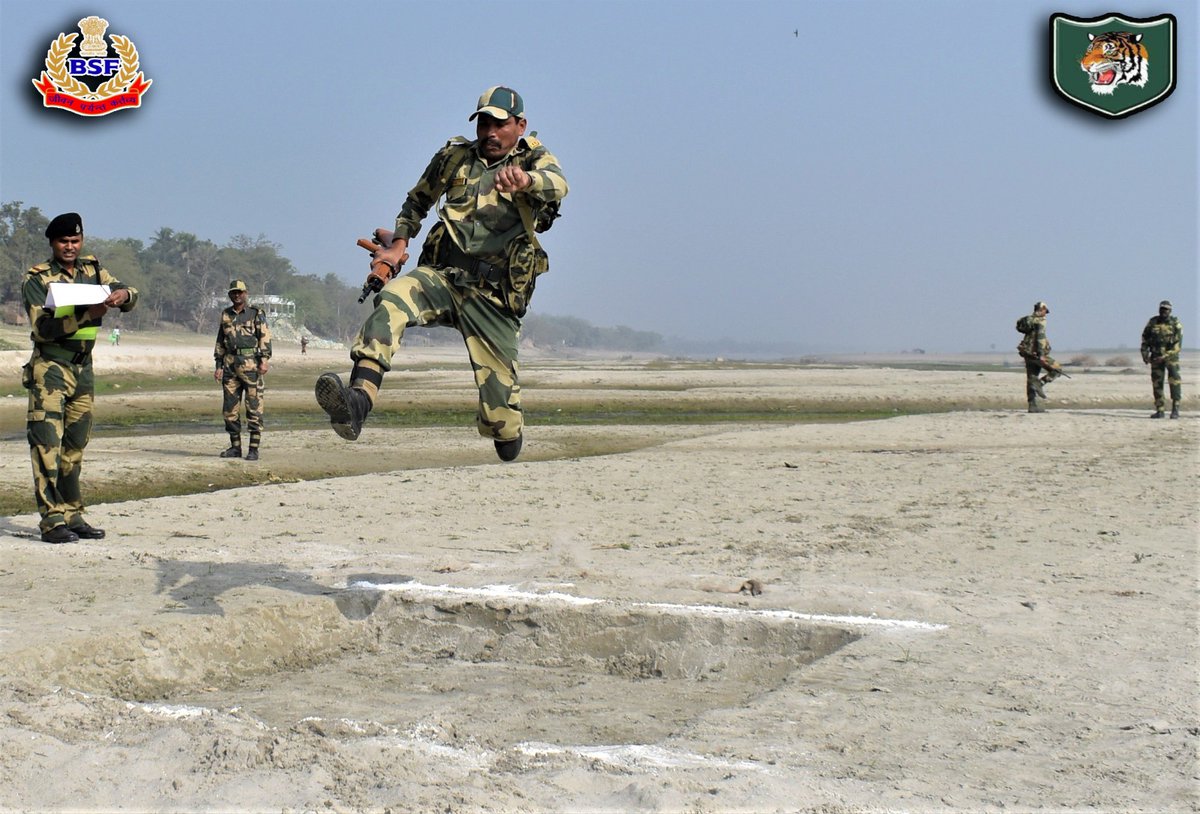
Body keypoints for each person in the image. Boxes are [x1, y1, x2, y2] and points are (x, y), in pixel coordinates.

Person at [315, 86, 569, 461]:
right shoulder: (455, 158)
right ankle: (357, 403)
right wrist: (400, 243)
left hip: (493, 298)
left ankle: (507, 429)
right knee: (392, 300)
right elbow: (416, 201)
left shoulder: (534, 160)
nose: (490, 133)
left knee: (504, 431)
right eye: (484, 123)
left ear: (520, 125)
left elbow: (558, 184)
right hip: (444, 277)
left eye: (499, 124)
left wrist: (527, 182)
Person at [20, 212, 138, 544]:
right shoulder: (38, 279)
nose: (70, 247)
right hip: (51, 369)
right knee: (46, 445)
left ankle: (72, 513)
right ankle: (51, 521)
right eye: (63, 241)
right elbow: (42, 329)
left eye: (75, 240)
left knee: (74, 447)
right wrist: (89, 314)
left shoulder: (93, 270)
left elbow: (127, 291)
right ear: (52, 243)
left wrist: (123, 296)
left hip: (83, 370)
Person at [213, 280, 272, 460]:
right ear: (230, 295)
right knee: (230, 409)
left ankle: (253, 449)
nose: (237, 295)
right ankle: (235, 447)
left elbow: (264, 337)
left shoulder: (255, 313)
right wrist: (218, 366)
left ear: (245, 293)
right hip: (230, 364)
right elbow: (220, 341)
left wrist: (264, 360)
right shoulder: (226, 315)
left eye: (240, 292)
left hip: (251, 364)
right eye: (233, 293)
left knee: (254, 408)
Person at [1141, 300, 1183, 419]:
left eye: (1166, 309)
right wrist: (1144, 354)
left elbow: (1177, 345)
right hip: (1155, 357)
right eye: (1162, 309)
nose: (1163, 311)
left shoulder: (1175, 323)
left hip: (1171, 358)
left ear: (1170, 311)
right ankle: (1160, 410)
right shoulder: (1152, 322)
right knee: (1157, 383)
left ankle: (1175, 409)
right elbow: (1145, 338)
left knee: (1174, 382)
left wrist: (1164, 356)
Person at [1016, 301, 1060, 413]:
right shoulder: (1041, 321)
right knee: (1057, 369)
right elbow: (1040, 338)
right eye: (1045, 311)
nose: (1046, 314)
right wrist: (1041, 355)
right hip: (1037, 355)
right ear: (1042, 309)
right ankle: (1040, 384)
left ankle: (1034, 406)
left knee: (1031, 377)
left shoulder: (1029, 321)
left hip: (1027, 353)